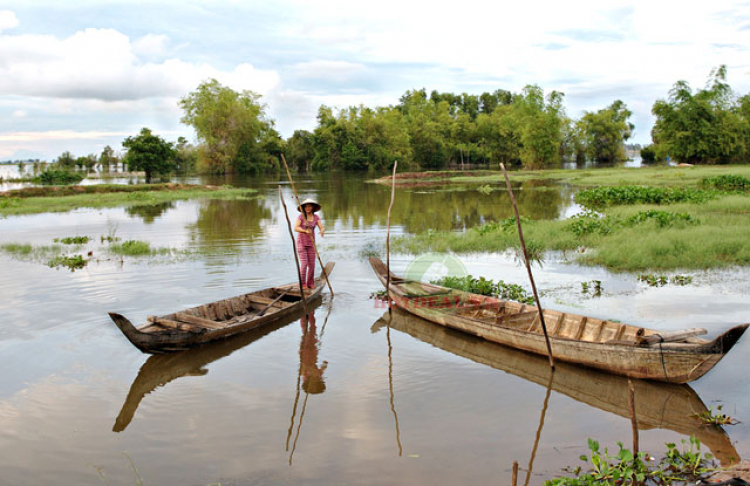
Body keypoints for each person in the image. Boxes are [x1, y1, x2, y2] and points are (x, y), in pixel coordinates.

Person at [294, 198, 324, 289]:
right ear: (304, 208)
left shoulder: (316, 217)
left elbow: (321, 227)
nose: (307, 208)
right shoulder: (301, 216)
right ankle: (302, 283)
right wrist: (305, 231)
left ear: (313, 207)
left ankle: (310, 283)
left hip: (311, 244)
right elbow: (296, 228)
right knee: (304, 264)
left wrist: (322, 231)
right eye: (306, 206)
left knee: (312, 265)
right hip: (301, 243)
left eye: (309, 206)